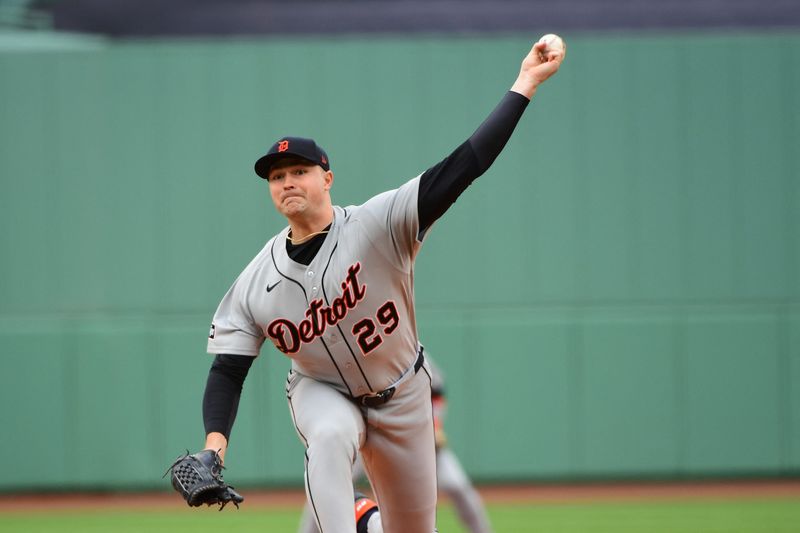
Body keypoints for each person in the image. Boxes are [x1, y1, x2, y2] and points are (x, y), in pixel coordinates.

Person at [197, 38, 563, 533]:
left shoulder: (379, 223)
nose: (287, 182)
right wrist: (214, 447)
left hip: (402, 393)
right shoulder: (256, 280)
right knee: (327, 436)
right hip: (321, 389)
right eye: (277, 176)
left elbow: (464, 165)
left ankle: (367, 520)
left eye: (299, 171)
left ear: (327, 178)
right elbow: (227, 371)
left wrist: (526, 83)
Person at [297, 351, 494, 533]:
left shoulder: (407, 351)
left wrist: (434, 426)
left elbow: (437, 391)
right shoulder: (347, 358)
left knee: (458, 487)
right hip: (361, 435)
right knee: (327, 484)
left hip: (420, 442)